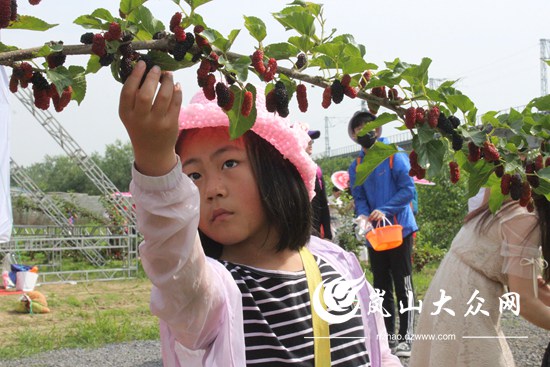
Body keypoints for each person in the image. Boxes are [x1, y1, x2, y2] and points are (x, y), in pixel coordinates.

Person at [118, 61, 402, 367]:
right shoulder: (210, 294)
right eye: (193, 176)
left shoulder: (340, 264)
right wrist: (155, 162)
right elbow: (172, 255)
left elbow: (379, 354)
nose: (212, 189)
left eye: (229, 163)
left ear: (276, 169)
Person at [410, 190, 550, 366]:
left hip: (452, 283)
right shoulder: (526, 218)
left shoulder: (509, 197)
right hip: (465, 295)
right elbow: (524, 300)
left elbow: (532, 285)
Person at [347, 110, 419, 357]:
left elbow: (408, 190)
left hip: (400, 229)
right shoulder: (356, 165)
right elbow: (359, 197)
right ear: (353, 134)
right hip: (375, 233)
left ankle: (406, 338)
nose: (363, 130)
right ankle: (387, 337)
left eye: (368, 126)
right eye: (358, 128)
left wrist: (384, 209)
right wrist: (364, 216)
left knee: (404, 282)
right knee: (380, 286)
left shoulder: (393, 156)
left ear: (377, 129)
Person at [306, 129, 333, 240]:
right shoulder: (287, 170)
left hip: (315, 231)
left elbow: (323, 202)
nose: (310, 143)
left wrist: (327, 233)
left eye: (311, 141)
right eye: (307, 140)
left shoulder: (316, 170)